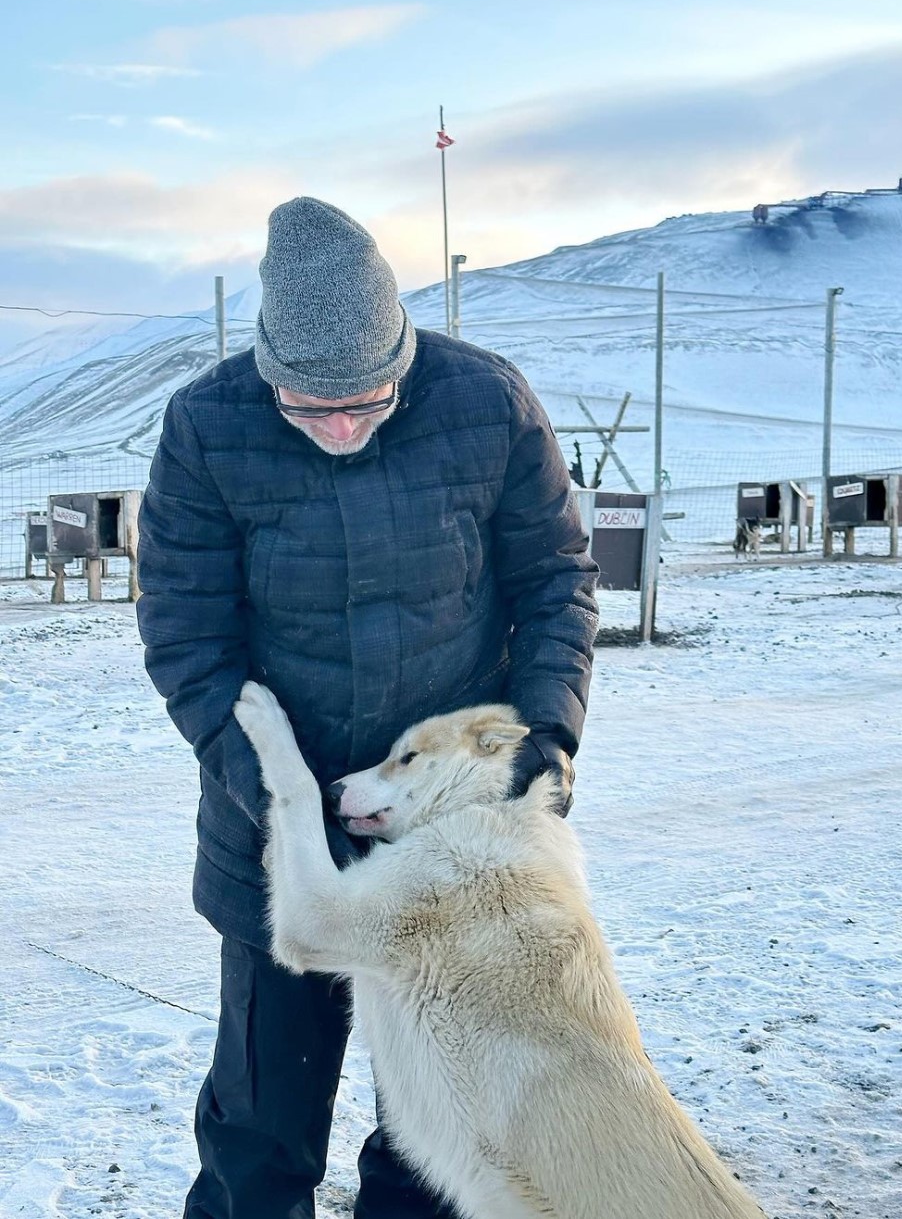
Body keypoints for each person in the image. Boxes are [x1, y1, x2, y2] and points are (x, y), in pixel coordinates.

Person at [136, 195, 599, 1219]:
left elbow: (555, 580)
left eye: (368, 398)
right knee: (259, 1135)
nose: (341, 423)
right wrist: (280, 796)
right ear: (266, 368)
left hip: (449, 844)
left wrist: (542, 735)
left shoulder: (487, 401)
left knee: (437, 1135)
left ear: (404, 348)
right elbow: (186, 634)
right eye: (310, 405)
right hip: (276, 844)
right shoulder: (207, 427)